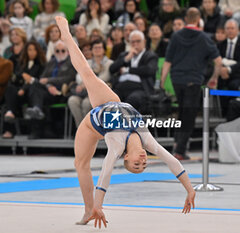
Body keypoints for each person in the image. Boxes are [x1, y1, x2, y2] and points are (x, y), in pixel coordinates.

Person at [55, 15, 196, 228]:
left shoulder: (117, 145)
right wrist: (190, 189)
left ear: (126, 157)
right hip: (111, 102)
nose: (142, 160)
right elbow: (172, 162)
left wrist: (99, 205)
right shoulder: (147, 141)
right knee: (88, 74)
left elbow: (105, 174)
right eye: (143, 164)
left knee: (80, 164)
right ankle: (89, 210)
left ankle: (89, 210)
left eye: (135, 164)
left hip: (90, 125)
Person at [160, 7, 222, 160]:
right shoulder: (204, 37)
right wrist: (214, 78)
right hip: (193, 80)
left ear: (186, 19)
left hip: (177, 80)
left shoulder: (176, 36)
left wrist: (162, 80)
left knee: (182, 111)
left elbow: (167, 61)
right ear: (198, 19)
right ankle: (180, 150)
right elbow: (218, 61)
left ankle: (177, 144)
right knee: (189, 115)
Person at [25, 40, 76, 138]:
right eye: (57, 51)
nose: (60, 53)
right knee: (34, 86)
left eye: (63, 51)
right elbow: (42, 79)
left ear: (67, 51)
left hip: (61, 93)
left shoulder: (71, 62)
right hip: (48, 91)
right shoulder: (51, 62)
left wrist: (49, 81)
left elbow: (69, 78)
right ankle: (37, 110)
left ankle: (37, 113)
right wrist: (49, 87)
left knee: (36, 92)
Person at [2, 40, 46, 139]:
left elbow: (39, 81)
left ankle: (35, 131)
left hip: (33, 93)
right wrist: (23, 76)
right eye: (29, 50)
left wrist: (25, 86)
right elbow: (16, 77)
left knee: (34, 90)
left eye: (34, 50)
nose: (32, 52)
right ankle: (10, 114)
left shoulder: (42, 65)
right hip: (21, 92)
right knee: (10, 89)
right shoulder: (22, 63)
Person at [110, 30, 158, 114]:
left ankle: (126, 125)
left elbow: (149, 70)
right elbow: (112, 69)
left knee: (131, 101)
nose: (135, 44)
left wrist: (128, 70)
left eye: (138, 41)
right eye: (133, 42)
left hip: (140, 88)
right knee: (109, 100)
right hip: (120, 87)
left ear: (144, 42)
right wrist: (126, 59)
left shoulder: (150, 55)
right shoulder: (124, 55)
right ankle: (111, 126)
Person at [68, 39, 113, 128]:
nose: (97, 50)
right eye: (95, 48)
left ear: (104, 50)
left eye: (99, 47)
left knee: (87, 103)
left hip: (99, 94)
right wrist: (83, 83)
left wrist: (87, 83)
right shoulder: (87, 63)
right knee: (72, 100)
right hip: (84, 92)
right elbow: (79, 76)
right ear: (91, 50)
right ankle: (81, 128)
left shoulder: (109, 63)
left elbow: (105, 77)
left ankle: (92, 129)